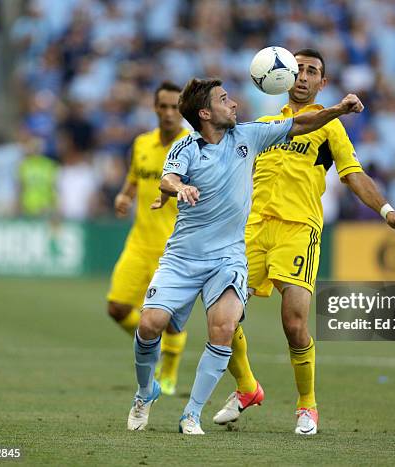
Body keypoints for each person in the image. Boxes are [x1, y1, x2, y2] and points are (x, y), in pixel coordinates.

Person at [127, 77, 364, 435]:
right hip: (183, 258)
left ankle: (191, 414)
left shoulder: (249, 135)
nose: (234, 103)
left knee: (223, 328)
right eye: (225, 99)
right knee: (148, 325)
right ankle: (146, 392)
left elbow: (302, 123)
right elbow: (167, 180)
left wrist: (337, 110)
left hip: (227, 257)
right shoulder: (185, 147)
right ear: (206, 113)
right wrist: (180, 187)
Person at [212, 49, 395, 435]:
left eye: (312, 72)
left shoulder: (330, 126)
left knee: (294, 323)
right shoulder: (266, 125)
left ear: (322, 83)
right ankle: (246, 387)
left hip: (298, 229)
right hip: (251, 229)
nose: (303, 76)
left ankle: (307, 405)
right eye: (298, 69)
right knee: (223, 315)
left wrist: (387, 211)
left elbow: (353, 175)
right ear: (284, 77)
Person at [107, 82, 189, 395]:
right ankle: (151, 346)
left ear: (183, 111)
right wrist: (123, 198)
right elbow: (133, 181)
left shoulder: (193, 145)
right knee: (116, 308)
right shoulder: (141, 143)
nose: (169, 113)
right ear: (154, 108)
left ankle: (168, 372)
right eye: (163, 106)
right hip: (139, 242)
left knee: (167, 319)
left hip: (175, 247)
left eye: (174, 107)